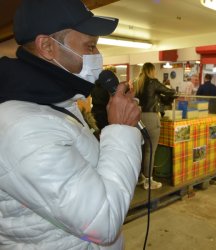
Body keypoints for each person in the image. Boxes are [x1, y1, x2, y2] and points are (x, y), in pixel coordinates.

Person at [0, 0, 143, 249]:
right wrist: (121, 130)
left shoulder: (53, 100)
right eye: (90, 47)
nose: (97, 57)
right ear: (47, 46)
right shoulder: (23, 126)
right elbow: (103, 223)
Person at [133, 62, 176, 189]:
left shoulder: (137, 83)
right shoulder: (153, 82)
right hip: (151, 118)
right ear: (151, 71)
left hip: (137, 118)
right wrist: (167, 92)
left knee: (140, 150)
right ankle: (149, 181)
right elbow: (170, 91)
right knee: (150, 151)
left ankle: (139, 177)